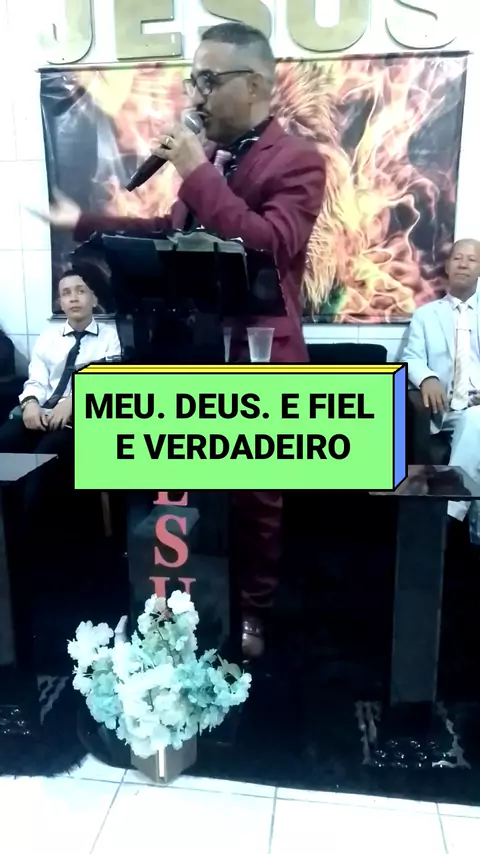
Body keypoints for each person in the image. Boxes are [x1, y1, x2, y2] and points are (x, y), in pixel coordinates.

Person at [33, 22, 326, 658]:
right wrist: (83, 220)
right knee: (187, 486)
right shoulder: (210, 162)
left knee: (255, 497)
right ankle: (189, 601)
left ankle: (252, 610)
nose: (195, 94)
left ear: (256, 84)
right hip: (188, 352)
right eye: (193, 79)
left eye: (208, 80)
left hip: (258, 359)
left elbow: (270, 244)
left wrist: (194, 169)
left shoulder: (298, 160)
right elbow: (171, 230)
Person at [0, 269, 121, 515]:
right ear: (61, 303)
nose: (73, 298)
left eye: (81, 291)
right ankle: (10, 523)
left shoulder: (110, 337)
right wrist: (30, 403)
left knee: (45, 458)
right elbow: (36, 380)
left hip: (80, 420)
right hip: (43, 413)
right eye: (66, 293)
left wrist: (74, 401)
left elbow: (107, 383)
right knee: (6, 440)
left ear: (94, 299)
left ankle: (35, 524)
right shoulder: (48, 338)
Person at [403, 238, 480, 537]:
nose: (463, 264)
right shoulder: (426, 315)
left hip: (475, 408)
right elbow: (411, 358)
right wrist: (427, 378)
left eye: (471, 259)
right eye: (458, 258)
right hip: (443, 410)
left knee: (475, 419)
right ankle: (470, 531)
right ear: (447, 266)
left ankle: (447, 516)